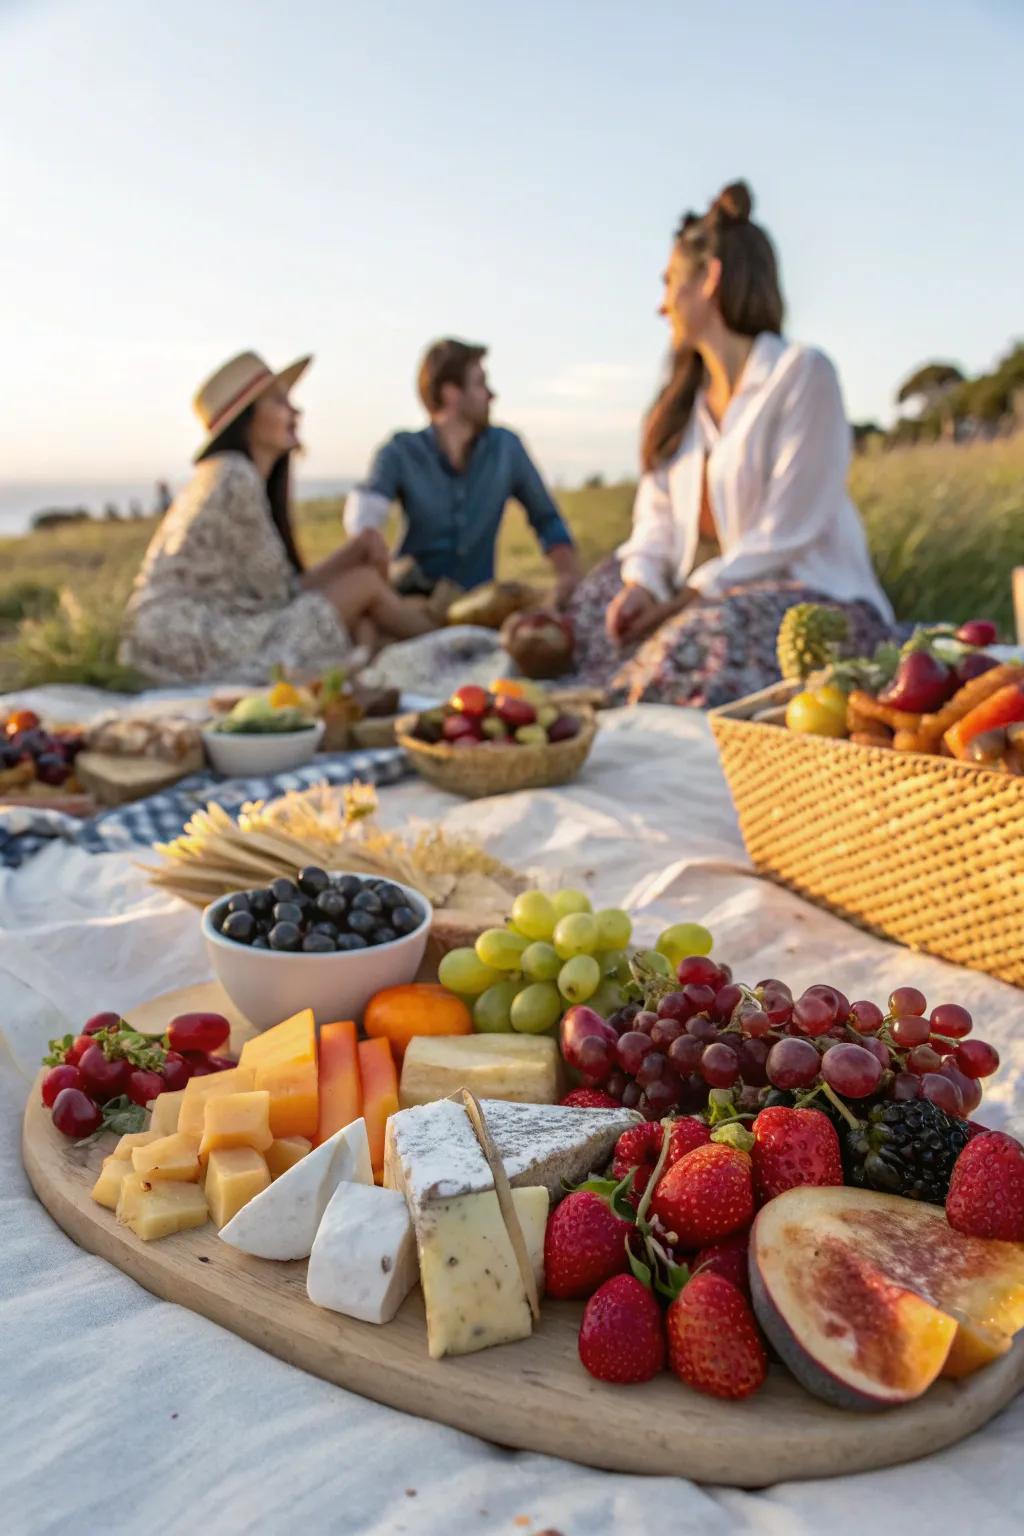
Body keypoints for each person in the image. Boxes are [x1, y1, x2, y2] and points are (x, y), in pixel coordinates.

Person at [566, 182, 894, 708]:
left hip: (805, 598)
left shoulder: (802, 374)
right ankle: (614, 696)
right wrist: (643, 587)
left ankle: (620, 700)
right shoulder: (678, 407)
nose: (660, 305)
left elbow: (787, 532)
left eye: (669, 282)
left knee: (712, 631)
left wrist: (690, 597)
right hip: (697, 593)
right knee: (594, 601)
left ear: (708, 279)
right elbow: (654, 524)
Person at [120, 352, 435, 685]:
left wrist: (355, 550)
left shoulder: (227, 474)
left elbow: (279, 592)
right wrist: (353, 559)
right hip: (194, 640)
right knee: (365, 588)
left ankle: (425, 645)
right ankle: (460, 641)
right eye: (279, 402)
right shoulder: (235, 477)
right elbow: (282, 597)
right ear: (247, 418)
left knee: (363, 605)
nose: (295, 412)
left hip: (184, 632)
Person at [344, 338, 581, 603]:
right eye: (480, 383)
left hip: (479, 604)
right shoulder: (401, 451)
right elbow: (366, 511)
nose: (492, 395)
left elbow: (546, 518)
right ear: (451, 393)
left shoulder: (506, 448)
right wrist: (369, 538)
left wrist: (567, 575)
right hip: (411, 600)